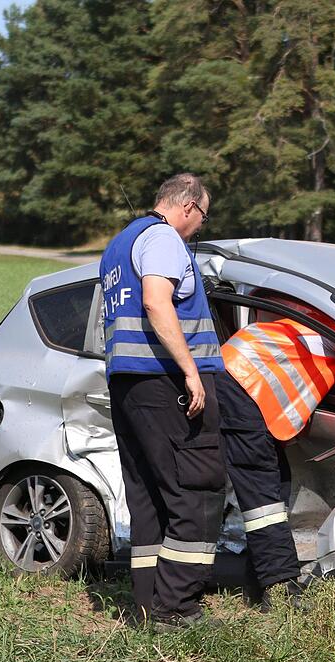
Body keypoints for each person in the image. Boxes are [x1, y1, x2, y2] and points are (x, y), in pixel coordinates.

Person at [99, 173, 226, 628]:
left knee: (148, 497)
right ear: (188, 206)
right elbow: (157, 302)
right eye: (203, 217)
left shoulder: (117, 247)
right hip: (167, 383)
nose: (199, 228)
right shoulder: (163, 238)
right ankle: (175, 609)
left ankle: (150, 605)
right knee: (195, 490)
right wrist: (191, 371)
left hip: (129, 387)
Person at [218, 306, 335, 609]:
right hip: (243, 382)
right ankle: (279, 587)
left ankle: (257, 580)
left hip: (239, 376)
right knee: (262, 492)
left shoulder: (328, 314)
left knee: (274, 483)